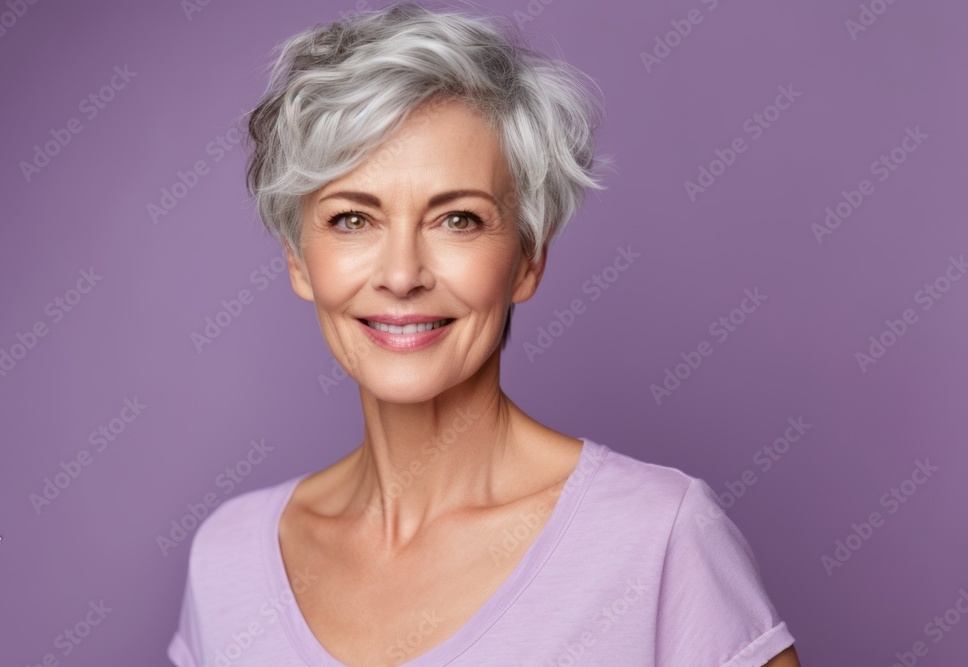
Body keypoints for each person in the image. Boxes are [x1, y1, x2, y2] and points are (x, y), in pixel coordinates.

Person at [168, 2, 801, 665]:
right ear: (299, 258)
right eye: (353, 219)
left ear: (528, 258)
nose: (402, 273)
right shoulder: (228, 561)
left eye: (458, 219)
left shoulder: (659, 536)